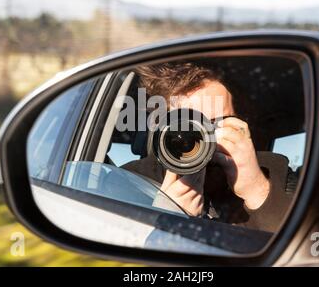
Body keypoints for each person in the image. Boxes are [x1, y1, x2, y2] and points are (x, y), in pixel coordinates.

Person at [123, 62, 296, 233]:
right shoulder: (130, 181)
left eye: (217, 124)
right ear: (162, 131)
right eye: (188, 128)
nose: (205, 138)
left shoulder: (274, 171)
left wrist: (255, 188)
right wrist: (164, 222)